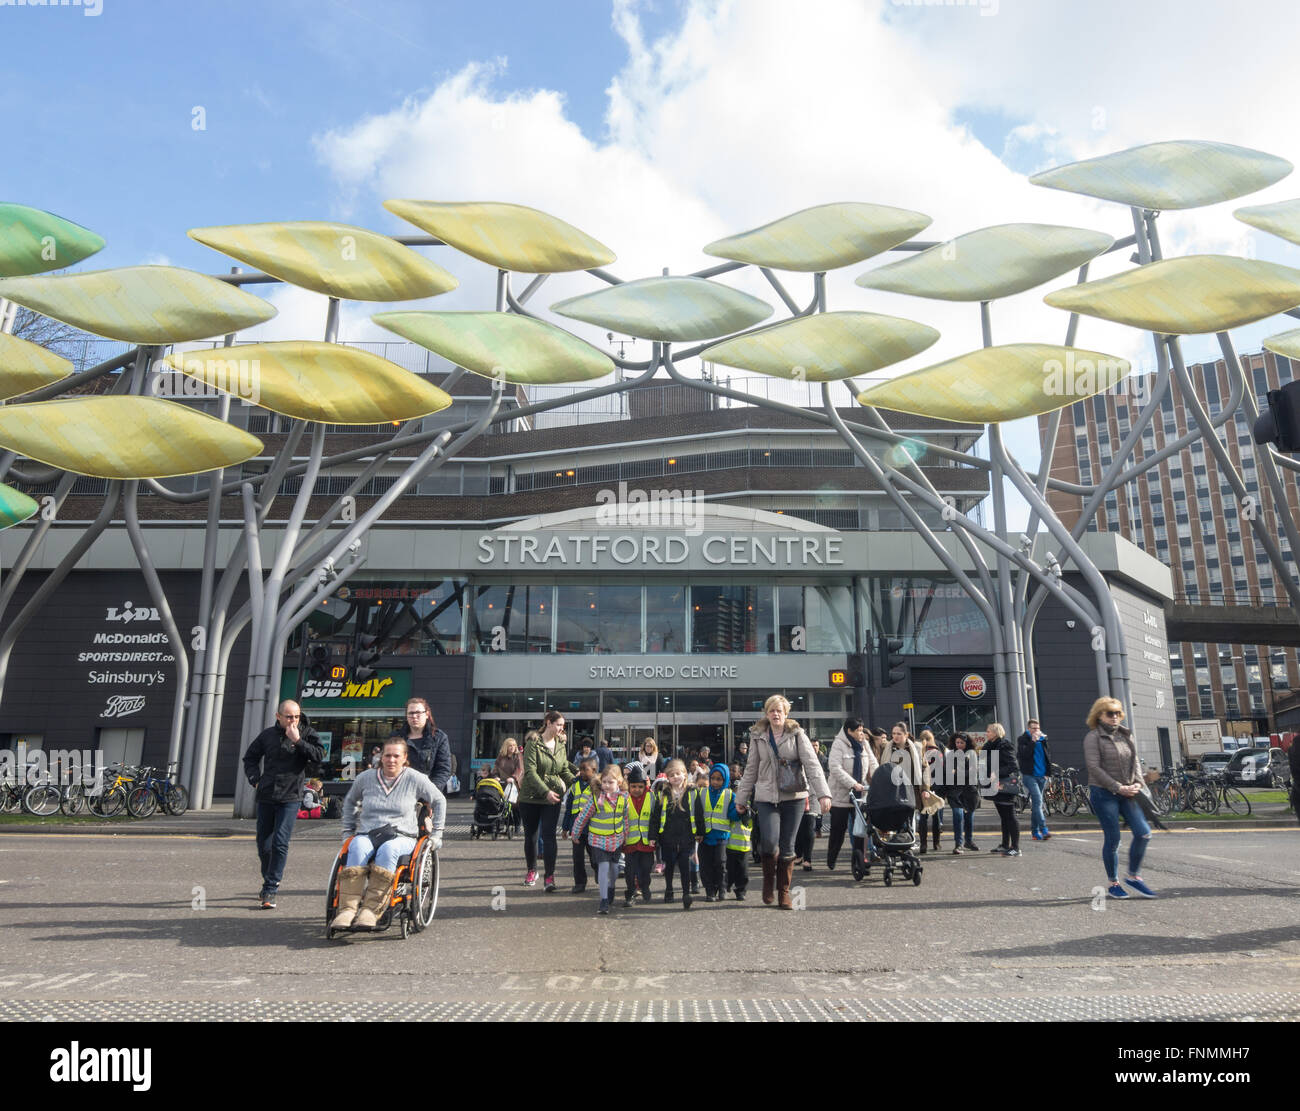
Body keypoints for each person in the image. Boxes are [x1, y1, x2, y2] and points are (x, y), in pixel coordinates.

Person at [332, 737, 445, 930]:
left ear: (404, 758)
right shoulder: (365, 778)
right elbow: (350, 802)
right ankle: (347, 910)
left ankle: (371, 910)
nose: (391, 760)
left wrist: (437, 833)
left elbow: (439, 800)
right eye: (387, 755)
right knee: (357, 846)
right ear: (380, 757)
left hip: (402, 836)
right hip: (368, 833)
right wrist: (348, 831)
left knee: (388, 849)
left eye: (396, 756)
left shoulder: (414, 778)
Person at [734, 694, 832, 910]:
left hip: (794, 796)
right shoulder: (758, 735)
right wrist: (741, 797)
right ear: (766, 714)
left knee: (788, 846)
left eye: (779, 710)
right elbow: (750, 769)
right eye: (772, 710)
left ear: (786, 713)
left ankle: (784, 893)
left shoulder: (797, 734)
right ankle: (769, 882)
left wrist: (824, 794)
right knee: (768, 842)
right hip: (766, 797)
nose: (776, 714)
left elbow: (813, 765)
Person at [243, 699, 324, 909]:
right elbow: (250, 758)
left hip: (291, 796)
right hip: (267, 794)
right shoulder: (267, 735)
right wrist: (255, 780)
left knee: (280, 842)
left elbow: (319, 756)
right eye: (289, 717)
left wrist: (298, 741)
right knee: (264, 845)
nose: (293, 720)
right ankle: (269, 879)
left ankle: (271, 888)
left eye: (296, 716)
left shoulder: (306, 733)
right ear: (278, 716)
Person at [1083, 697, 1156, 899]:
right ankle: (1113, 882)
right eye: (1109, 713)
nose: (1114, 717)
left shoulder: (1126, 735)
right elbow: (1094, 767)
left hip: (1128, 793)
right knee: (1113, 839)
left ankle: (1133, 876)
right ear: (1099, 715)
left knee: (1144, 833)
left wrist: (1138, 783)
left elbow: (1135, 763)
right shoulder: (1093, 737)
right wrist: (1117, 787)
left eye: (1117, 713)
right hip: (1104, 793)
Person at [519, 711, 576, 892]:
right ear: (548, 723)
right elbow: (530, 772)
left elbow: (564, 768)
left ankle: (549, 876)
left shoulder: (560, 744)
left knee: (549, 836)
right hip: (531, 796)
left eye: (562, 726)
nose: (561, 729)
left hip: (553, 797)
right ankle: (531, 870)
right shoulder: (533, 743)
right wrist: (546, 792)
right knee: (531, 836)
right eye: (559, 725)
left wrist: (574, 780)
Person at [571, 763, 629, 915]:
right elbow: (583, 816)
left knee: (614, 869)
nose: (607, 785)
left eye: (611, 782)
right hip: (598, 840)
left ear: (619, 782)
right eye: (604, 782)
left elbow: (627, 818)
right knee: (603, 867)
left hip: (616, 840)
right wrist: (575, 833)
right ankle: (603, 900)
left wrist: (627, 836)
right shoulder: (595, 798)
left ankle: (611, 887)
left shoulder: (624, 798)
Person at [827, 718, 878, 872]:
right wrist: (852, 783)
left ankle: (859, 861)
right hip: (840, 794)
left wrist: (879, 778)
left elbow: (873, 762)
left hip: (860, 793)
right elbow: (835, 768)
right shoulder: (838, 744)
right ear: (849, 731)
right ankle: (832, 857)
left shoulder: (864, 743)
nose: (862, 734)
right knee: (838, 829)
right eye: (859, 731)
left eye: (863, 730)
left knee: (860, 830)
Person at [657, 759, 703, 909]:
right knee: (669, 865)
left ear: (685, 774)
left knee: (685, 864)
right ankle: (669, 889)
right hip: (668, 836)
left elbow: (699, 813)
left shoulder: (692, 791)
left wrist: (700, 832)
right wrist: (654, 836)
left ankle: (685, 892)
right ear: (668, 778)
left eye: (678, 773)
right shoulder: (663, 793)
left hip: (686, 835)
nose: (676, 777)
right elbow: (656, 816)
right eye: (672, 775)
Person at [983, 722, 1021, 857]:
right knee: (1004, 817)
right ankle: (1005, 845)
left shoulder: (1005, 745)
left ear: (995, 732)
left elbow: (1013, 766)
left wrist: (996, 773)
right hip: (995, 785)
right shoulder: (990, 746)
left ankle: (1015, 847)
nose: (986, 733)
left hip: (1005, 784)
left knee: (1010, 816)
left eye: (988, 731)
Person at [562, 755, 598, 893]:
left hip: (592, 828)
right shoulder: (575, 785)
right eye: (581, 769)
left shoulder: (598, 786)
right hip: (576, 828)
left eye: (585, 769)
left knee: (594, 857)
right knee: (577, 858)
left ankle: (598, 871)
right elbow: (569, 809)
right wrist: (565, 827)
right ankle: (580, 883)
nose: (582, 772)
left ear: (594, 770)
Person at [697, 762, 733, 901]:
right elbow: (698, 815)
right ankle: (709, 890)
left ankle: (722, 888)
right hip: (704, 836)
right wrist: (697, 833)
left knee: (720, 863)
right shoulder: (702, 793)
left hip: (721, 836)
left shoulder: (730, 795)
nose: (715, 782)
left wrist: (741, 811)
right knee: (705, 865)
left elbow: (733, 814)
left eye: (719, 779)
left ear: (725, 780)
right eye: (713, 778)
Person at [401, 699, 452, 795]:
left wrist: (430, 793)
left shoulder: (439, 737)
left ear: (427, 714)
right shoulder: (396, 737)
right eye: (411, 713)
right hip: (400, 793)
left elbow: (443, 769)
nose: (414, 716)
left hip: (427, 794)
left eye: (418, 712)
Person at [622, 765, 656, 906]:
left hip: (647, 843)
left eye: (640, 787)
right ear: (629, 786)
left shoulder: (651, 796)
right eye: (633, 786)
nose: (637, 790)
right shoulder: (623, 797)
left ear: (645, 786)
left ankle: (644, 886)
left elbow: (655, 819)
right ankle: (630, 894)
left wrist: (654, 837)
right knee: (629, 871)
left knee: (646, 869)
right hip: (630, 843)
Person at [1017, 718, 1054, 842]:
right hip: (1029, 776)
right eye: (1033, 728)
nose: (1036, 730)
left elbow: (1048, 756)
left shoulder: (1044, 739)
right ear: (1028, 729)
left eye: (1037, 728)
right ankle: (1043, 829)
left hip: (1042, 776)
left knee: (1036, 805)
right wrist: (1033, 741)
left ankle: (1034, 832)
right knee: (1038, 802)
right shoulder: (1023, 739)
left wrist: (1047, 774)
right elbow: (1024, 755)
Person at [945, 732, 981, 853]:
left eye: (962, 742)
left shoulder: (971, 753)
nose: (959, 745)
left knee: (969, 817)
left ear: (967, 743)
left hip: (969, 789)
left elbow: (972, 772)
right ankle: (958, 844)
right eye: (957, 742)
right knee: (958, 815)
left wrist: (957, 772)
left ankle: (969, 841)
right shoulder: (951, 754)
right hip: (955, 790)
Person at [917, 731, 946, 854]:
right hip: (936, 787)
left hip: (922, 787)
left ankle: (923, 844)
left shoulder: (919, 752)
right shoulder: (937, 752)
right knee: (936, 817)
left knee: (923, 817)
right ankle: (936, 843)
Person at [724, 791, 754, 899]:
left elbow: (750, 820)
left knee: (743, 872)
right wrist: (737, 809)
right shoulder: (732, 810)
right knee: (729, 870)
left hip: (744, 848)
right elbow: (731, 815)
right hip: (730, 847)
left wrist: (746, 810)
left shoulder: (750, 812)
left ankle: (741, 891)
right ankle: (726, 886)